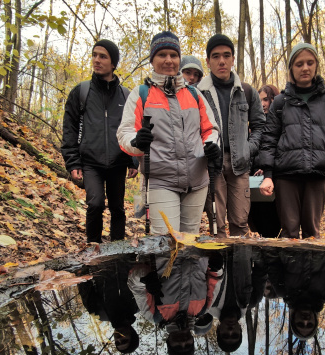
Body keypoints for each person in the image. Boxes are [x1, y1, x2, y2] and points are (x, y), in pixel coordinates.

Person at [118, 31, 220, 235]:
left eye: (173, 55)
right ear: (152, 59)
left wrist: (211, 144)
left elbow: (211, 129)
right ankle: (165, 269)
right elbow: (124, 133)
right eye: (162, 55)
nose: (168, 60)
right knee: (166, 240)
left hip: (197, 179)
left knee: (190, 240)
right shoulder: (141, 94)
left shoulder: (194, 94)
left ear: (179, 59)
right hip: (160, 179)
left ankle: (192, 269)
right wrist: (137, 142)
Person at [259, 43, 325, 239]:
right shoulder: (280, 102)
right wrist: (268, 174)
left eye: (310, 63)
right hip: (286, 177)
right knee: (289, 232)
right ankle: (289, 270)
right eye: (299, 64)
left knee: (312, 234)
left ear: (316, 65)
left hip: (317, 176)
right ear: (292, 68)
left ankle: (313, 270)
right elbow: (269, 139)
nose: (305, 68)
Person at [62, 39, 138, 243]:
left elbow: (133, 129)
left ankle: (118, 250)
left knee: (117, 207)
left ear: (113, 63)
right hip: (90, 162)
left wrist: (133, 160)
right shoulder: (82, 92)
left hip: (118, 161)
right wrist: (73, 161)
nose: (97, 60)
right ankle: (92, 248)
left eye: (103, 56)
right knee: (95, 204)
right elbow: (69, 128)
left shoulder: (126, 95)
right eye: (94, 55)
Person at [197, 34, 266, 238]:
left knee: (240, 224)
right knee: (217, 226)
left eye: (227, 55)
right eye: (216, 56)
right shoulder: (198, 92)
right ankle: (219, 269)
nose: (222, 61)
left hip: (240, 165)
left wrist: (247, 148)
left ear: (233, 59)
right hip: (212, 165)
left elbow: (260, 125)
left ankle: (240, 269)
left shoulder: (247, 91)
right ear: (208, 61)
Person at [248, 84, 281, 238]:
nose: (263, 104)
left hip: (274, 181)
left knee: (273, 226)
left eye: (267, 99)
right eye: (260, 100)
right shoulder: (252, 125)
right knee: (258, 223)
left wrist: (268, 169)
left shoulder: (281, 123)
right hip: (254, 182)